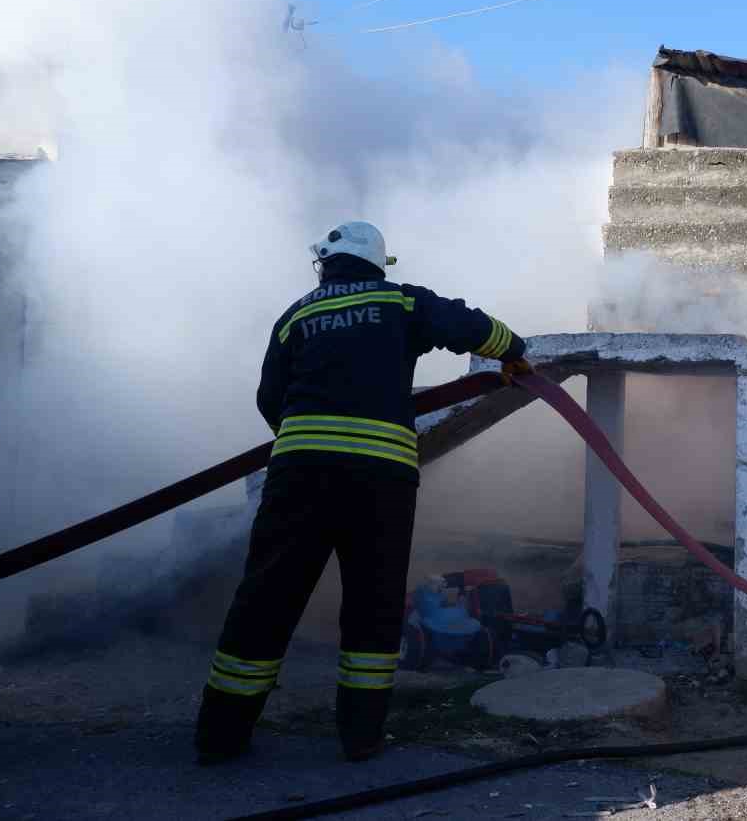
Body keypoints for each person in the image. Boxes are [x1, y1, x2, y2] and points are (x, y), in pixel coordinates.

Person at [194, 221, 531, 764]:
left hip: (300, 476)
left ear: (327, 264)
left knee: (265, 599)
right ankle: (361, 737)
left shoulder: (297, 315)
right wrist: (513, 351)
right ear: (377, 264)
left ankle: (220, 737)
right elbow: (470, 325)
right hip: (381, 479)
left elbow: (269, 398)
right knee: (373, 603)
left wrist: (308, 434)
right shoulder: (401, 303)